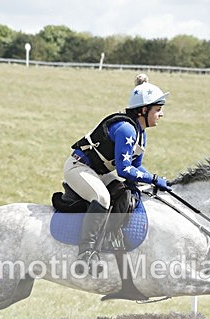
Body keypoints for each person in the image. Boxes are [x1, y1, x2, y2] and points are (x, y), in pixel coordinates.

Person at [64, 73, 172, 264]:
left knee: (124, 193)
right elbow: (124, 170)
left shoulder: (140, 133)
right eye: (158, 109)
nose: (161, 114)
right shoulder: (126, 129)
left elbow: (136, 167)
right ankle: (86, 252)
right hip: (78, 167)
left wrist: (155, 182)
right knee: (102, 198)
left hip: (98, 172)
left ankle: (110, 239)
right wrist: (154, 178)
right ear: (144, 110)